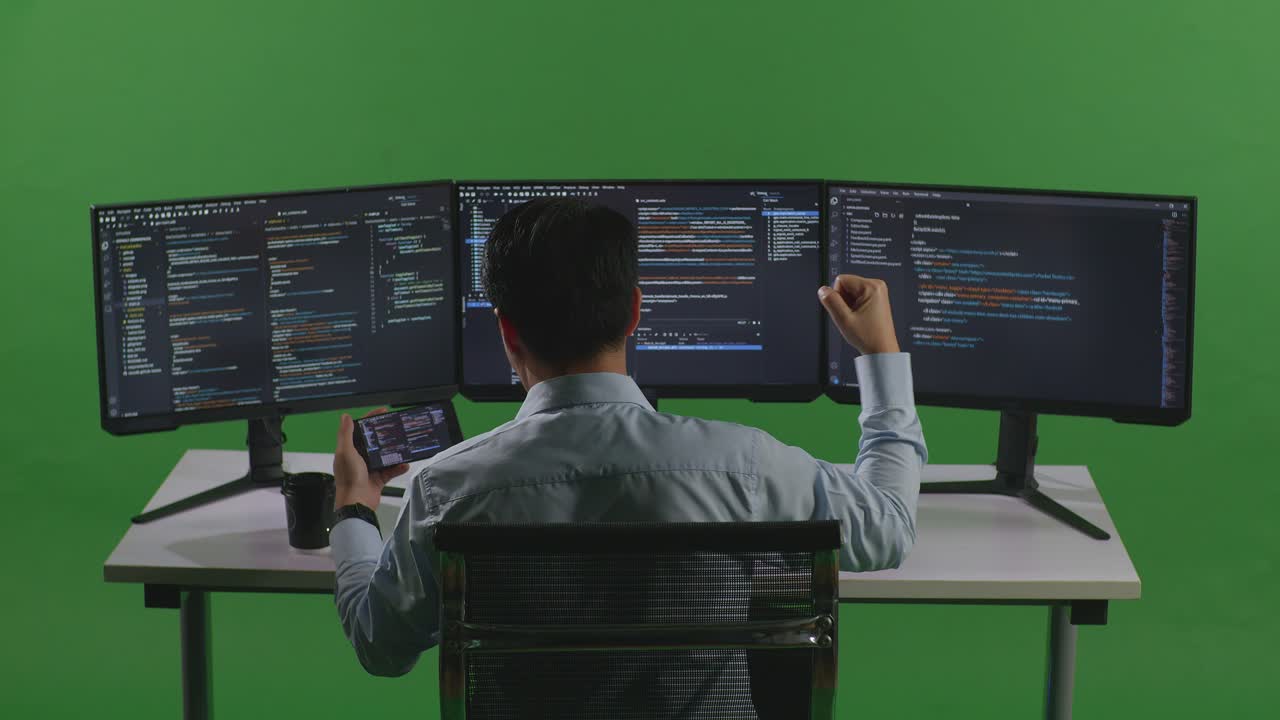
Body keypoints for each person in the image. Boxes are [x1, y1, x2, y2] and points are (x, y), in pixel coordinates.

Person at [329, 198, 927, 684]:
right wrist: (880, 355)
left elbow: (382, 648)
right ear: (635, 312)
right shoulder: (744, 466)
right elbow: (890, 529)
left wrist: (354, 509)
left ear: (506, 329)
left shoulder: (447, 486)